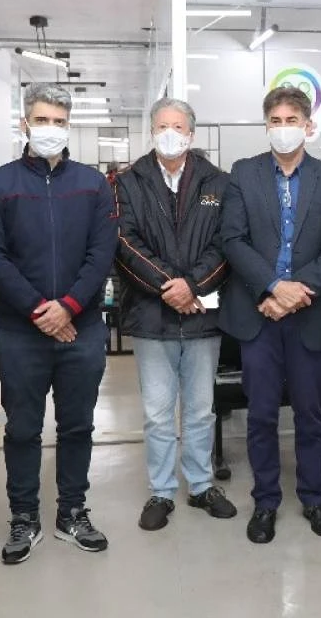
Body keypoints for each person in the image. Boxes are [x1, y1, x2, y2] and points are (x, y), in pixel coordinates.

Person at [0, 83, 118, 565]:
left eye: (59, 121)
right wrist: (41, 310)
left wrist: (70, 307)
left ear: (69, 126)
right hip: (20, 331)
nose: (50, 129)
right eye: (42, 120)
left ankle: (72, 512)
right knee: (22, 429)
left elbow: (102, 252)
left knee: (77, 426)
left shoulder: (93, 184)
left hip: (82, 328)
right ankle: (24, 516)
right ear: (25, 124)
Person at [219, 86, 321, 545]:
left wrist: (296, 293)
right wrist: (273, 287)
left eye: (290, 120)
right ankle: (265, 502)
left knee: (311, 415)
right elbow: (233, 239)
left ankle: (314, 498)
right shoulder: (244, 173)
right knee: (260, 415)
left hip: (309, 315)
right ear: (266, 125)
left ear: (308, 126)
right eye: (274, 121)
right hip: (259, 313)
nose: (282, 128)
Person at [114, 97, 237, 531]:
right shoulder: (129, 182)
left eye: (178, 126)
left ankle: (201, 485)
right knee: (157, 412)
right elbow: (124, 242)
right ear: (152, 131)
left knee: (201, 410)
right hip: (151, 315)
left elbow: (226, 244)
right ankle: (162, 490)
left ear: (191, 133)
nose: (171, 133)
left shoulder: (219, 182)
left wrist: (193, 286)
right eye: (163, 126)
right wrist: (171, 286)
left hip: (203, 315)